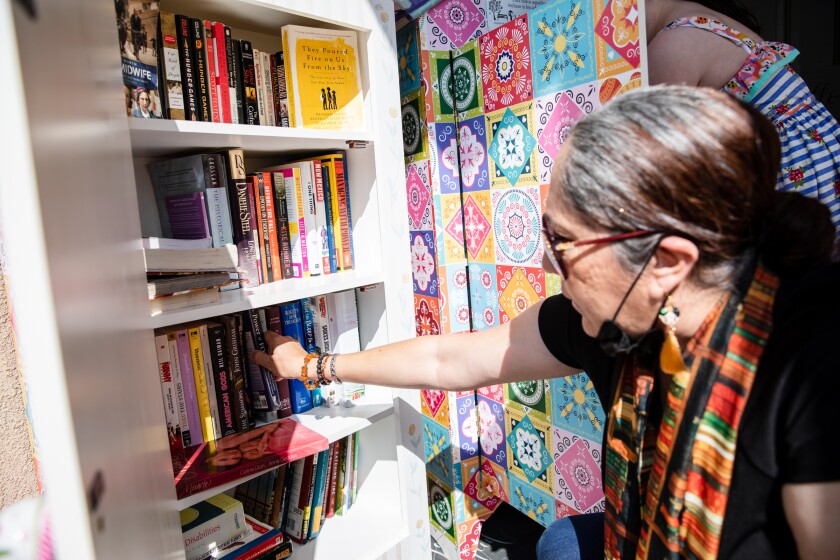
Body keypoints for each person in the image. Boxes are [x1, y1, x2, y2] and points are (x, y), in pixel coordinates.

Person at [251, 86, 840, 559]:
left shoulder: (808, 364)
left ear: (666, 262)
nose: (543, 262)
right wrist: (310, 365)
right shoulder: (618, 324)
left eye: (562, 242)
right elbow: (448, 359)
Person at [645, 0, 840, 252]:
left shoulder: (674, 44)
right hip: (819, 157)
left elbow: (652, 154)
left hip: (789, 170)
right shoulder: (702, 19)